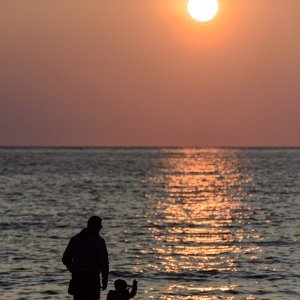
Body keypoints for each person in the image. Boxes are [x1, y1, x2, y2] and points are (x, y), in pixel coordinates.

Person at [62, 216, 109, 300]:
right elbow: (104, 263)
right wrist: (104, 280)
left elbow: (66, 259)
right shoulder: (99, 241)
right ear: (93, 226)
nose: (100, 228)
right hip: (92, 278)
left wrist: (74, 270)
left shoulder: (75, 239)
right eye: (99, 226)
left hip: (78, 278)